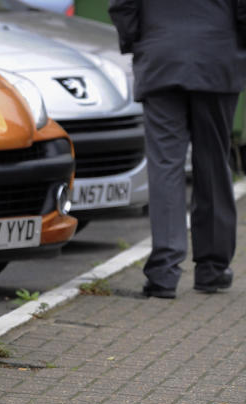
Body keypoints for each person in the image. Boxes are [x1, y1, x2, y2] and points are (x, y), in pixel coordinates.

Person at [109, 0, 246, 298]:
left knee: (165, 164)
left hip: (161, 56)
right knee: (212, 161)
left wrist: (140, 40)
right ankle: (212, 269)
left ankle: (164, 273)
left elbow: (122, 4)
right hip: (217, 57)